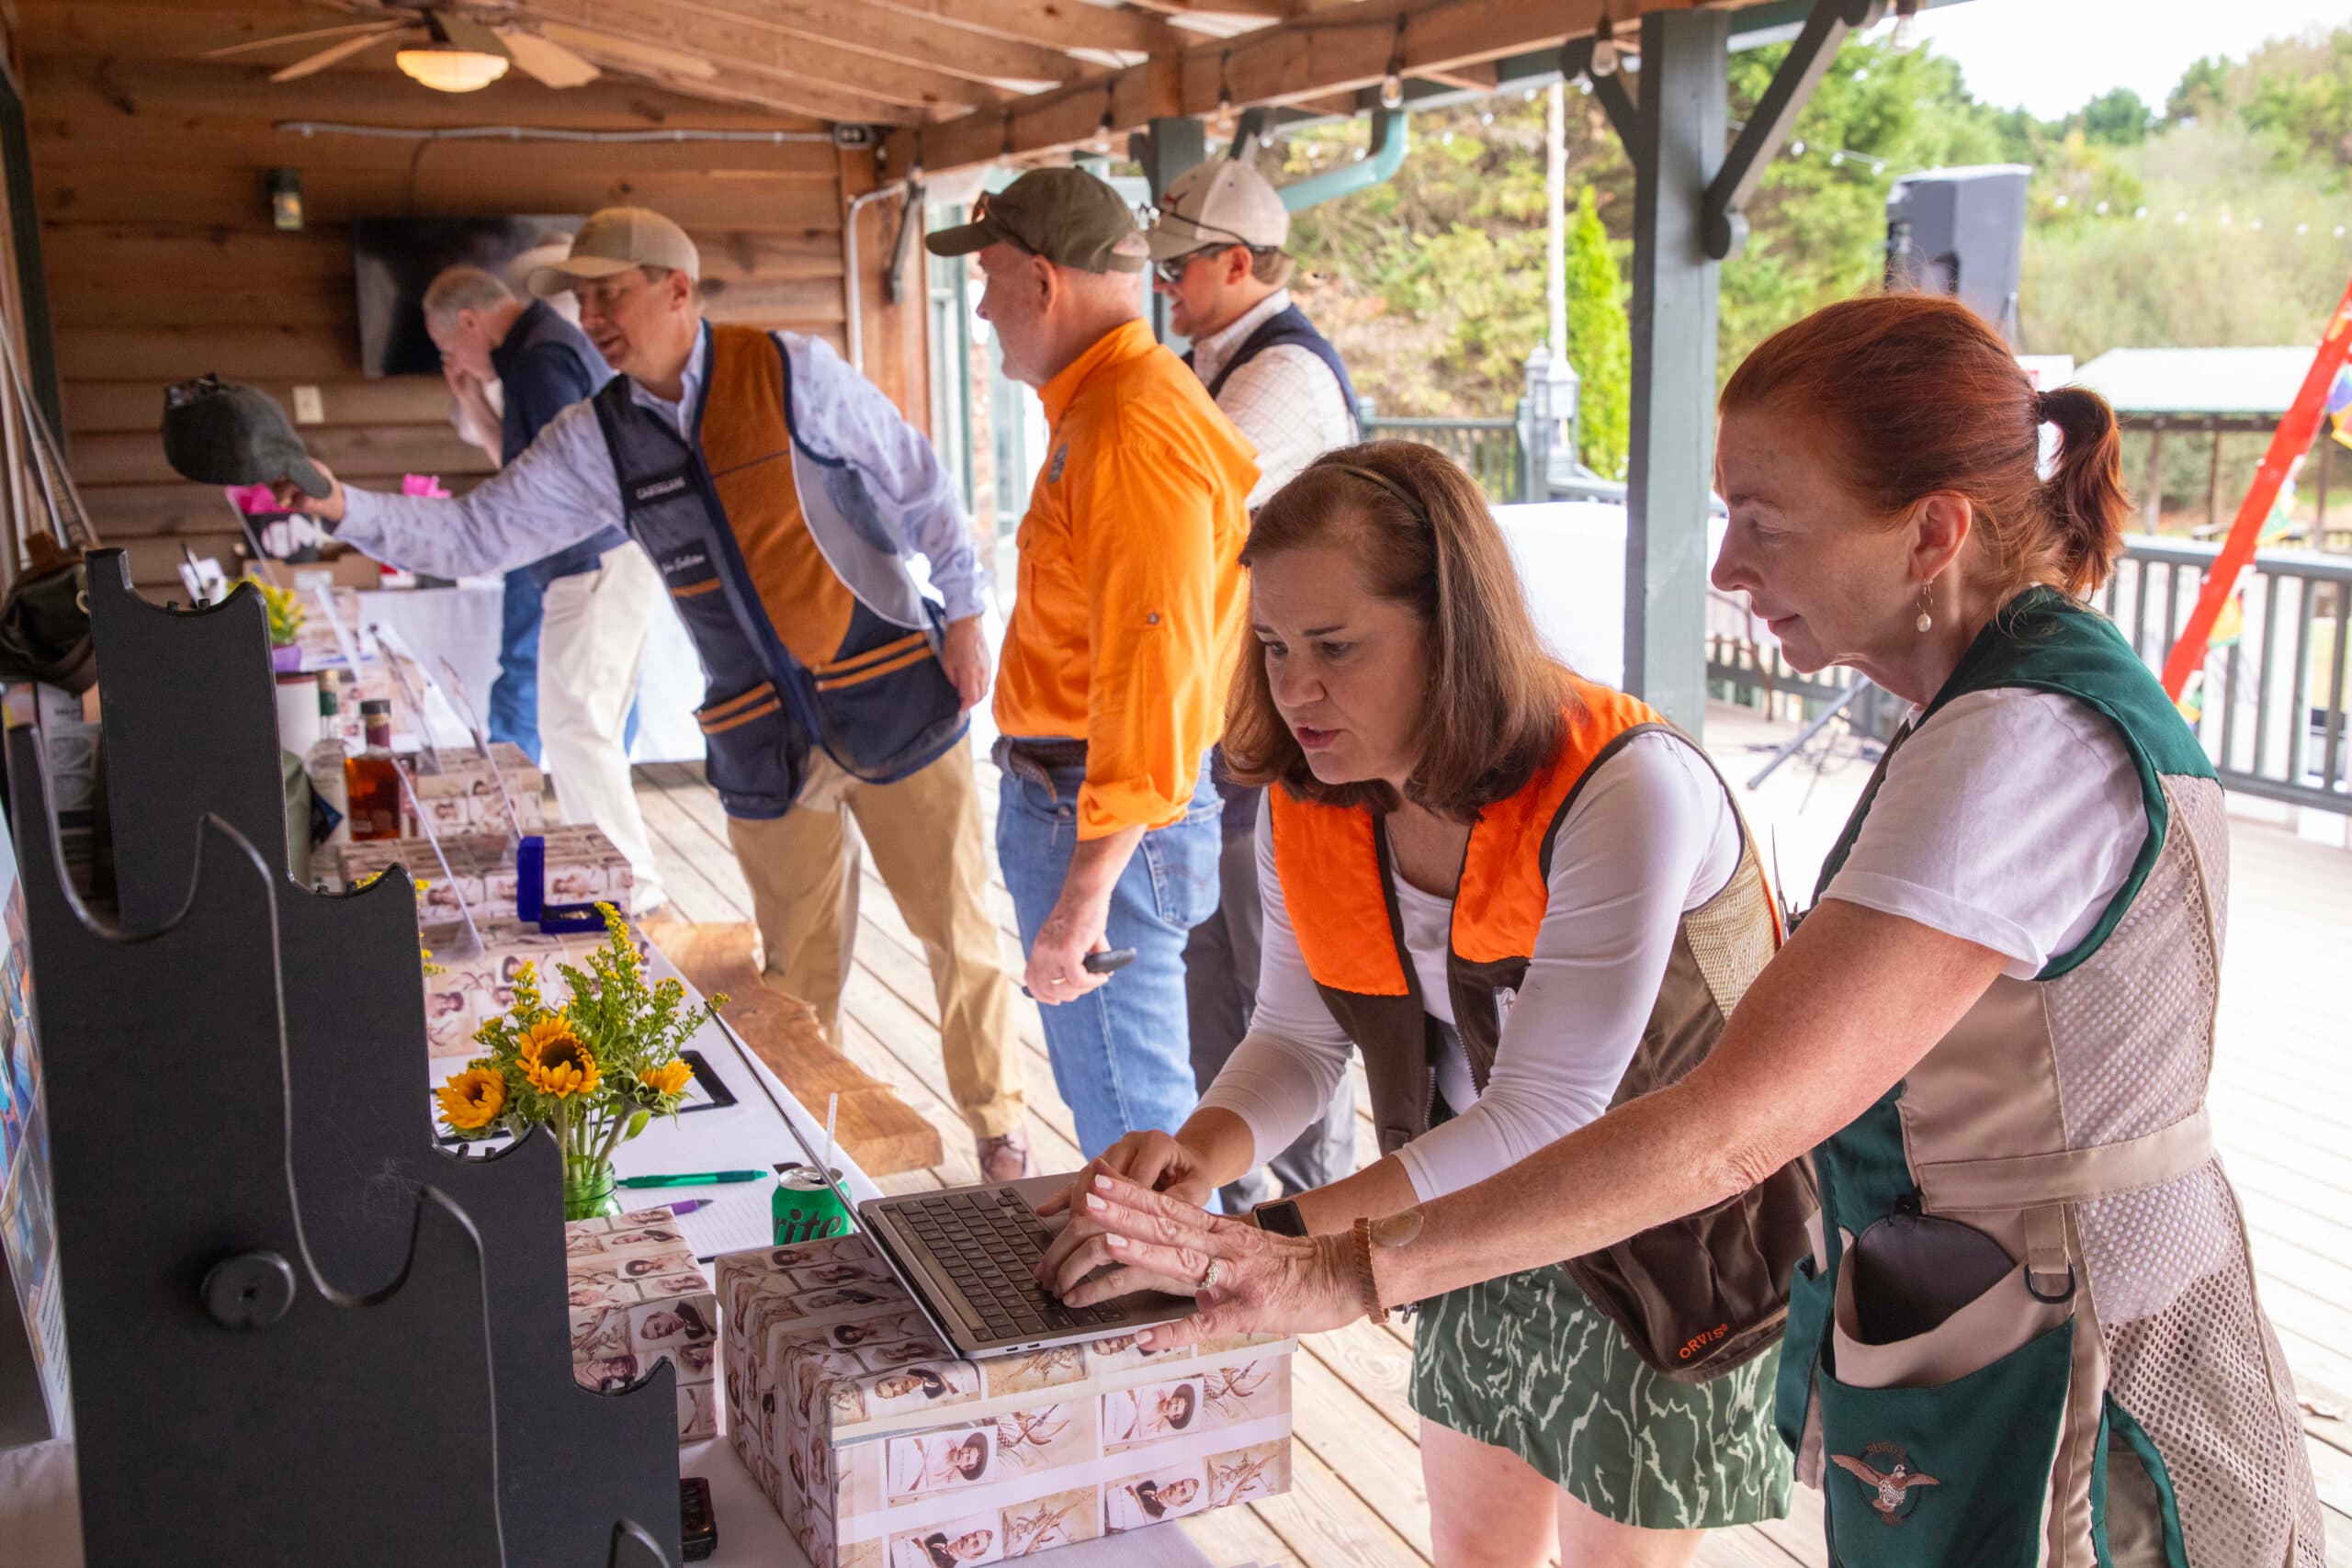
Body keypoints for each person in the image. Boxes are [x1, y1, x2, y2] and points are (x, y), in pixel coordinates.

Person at [1054, 296, 2326, 1567]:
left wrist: (1321, 1262)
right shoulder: (2000, 704)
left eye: (1766, 523)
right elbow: (1302, 1033)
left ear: (1934, 531)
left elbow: (1730, 1129)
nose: (1725, 565)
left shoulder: (2015, 740)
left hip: (2079, 1372)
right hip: (1984, 1330)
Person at [1040, 441, 1804, 1566]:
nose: (1296, 688)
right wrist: (1197, 1163)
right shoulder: (1318, 796)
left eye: (1337, 648)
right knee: (1473, 1551)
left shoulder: (1624, 787)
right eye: (1272, 646)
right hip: (1453, 1215)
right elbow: (1296, 1042)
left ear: (1453, 633)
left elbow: (1548, 1111)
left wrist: (1260, 1241)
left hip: (1660, 1236)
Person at [277, 209, 1025, 1179]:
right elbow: (475, 536)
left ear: (678, 289)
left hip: (888, 692)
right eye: (581, 298)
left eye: (610, 292)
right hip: (762, 738)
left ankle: (1003, 1133)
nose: (591, 316)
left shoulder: (791, 369)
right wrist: (342, 507)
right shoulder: (597, 438)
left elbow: (916, 481)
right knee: (792, 970)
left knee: (955, 933)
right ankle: (810, 1156)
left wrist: (965, 611)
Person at [926, 170, 1255, 1158]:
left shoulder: (1127, 423)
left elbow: (1155, 673)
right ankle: (1158, 1280)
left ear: (1041, 279)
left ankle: (1163, 1301)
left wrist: (1084, 893)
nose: (981, 307)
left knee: (1131, 1117)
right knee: (1123, 1098)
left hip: (1099, 811)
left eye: (987, 278)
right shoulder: (1106, 402)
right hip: (1082, 798)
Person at [1148, 158, 1363, 1214]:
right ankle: (1243, 1188)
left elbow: (1194, 526)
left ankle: (1322, 1196)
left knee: (1282, 983)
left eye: (1178, 265)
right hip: (1236, 717)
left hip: (1282, 721)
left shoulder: (1281, 375)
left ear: (1237, 262)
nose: (1163, 285)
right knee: (1218, 971)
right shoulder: (1214, 360)